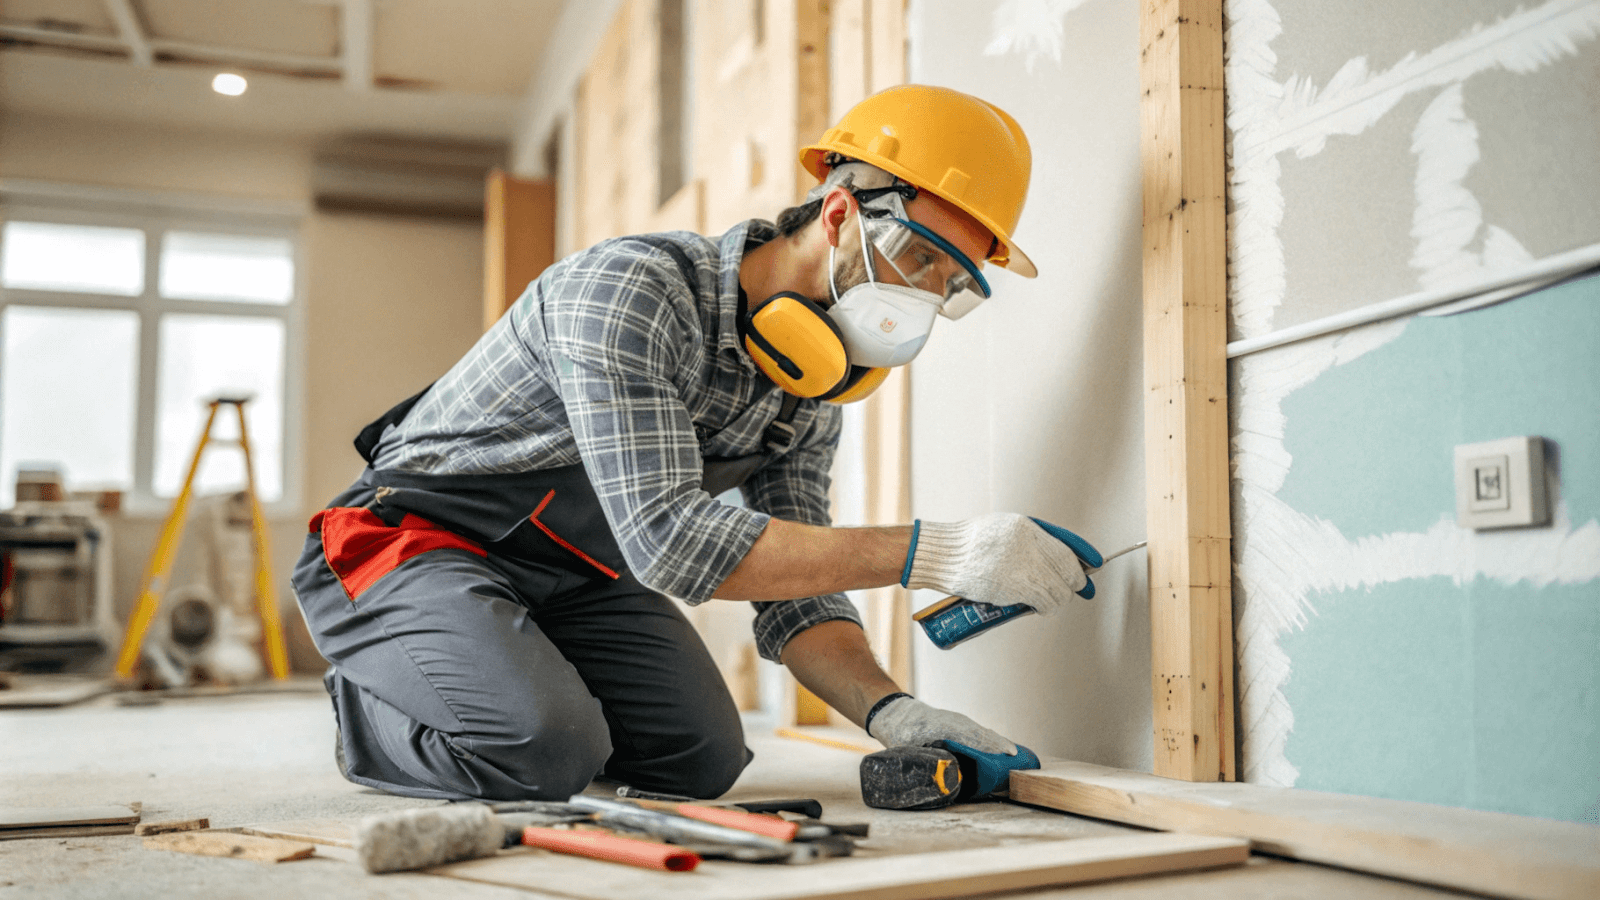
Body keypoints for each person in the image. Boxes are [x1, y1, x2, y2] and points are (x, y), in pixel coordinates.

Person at [290, 84, 1093, 801]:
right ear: (842, 213)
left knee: (701, 760)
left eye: (949, 284)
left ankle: (500, 677)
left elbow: (797, 589)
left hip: (572, 572)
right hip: (411, 540)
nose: (923, 293)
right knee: (543, 751)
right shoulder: (631, 292)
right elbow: (670, 541)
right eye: (919, 257)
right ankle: (378, 701)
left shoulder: (808, 394)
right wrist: (938, 552)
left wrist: (894, 712)